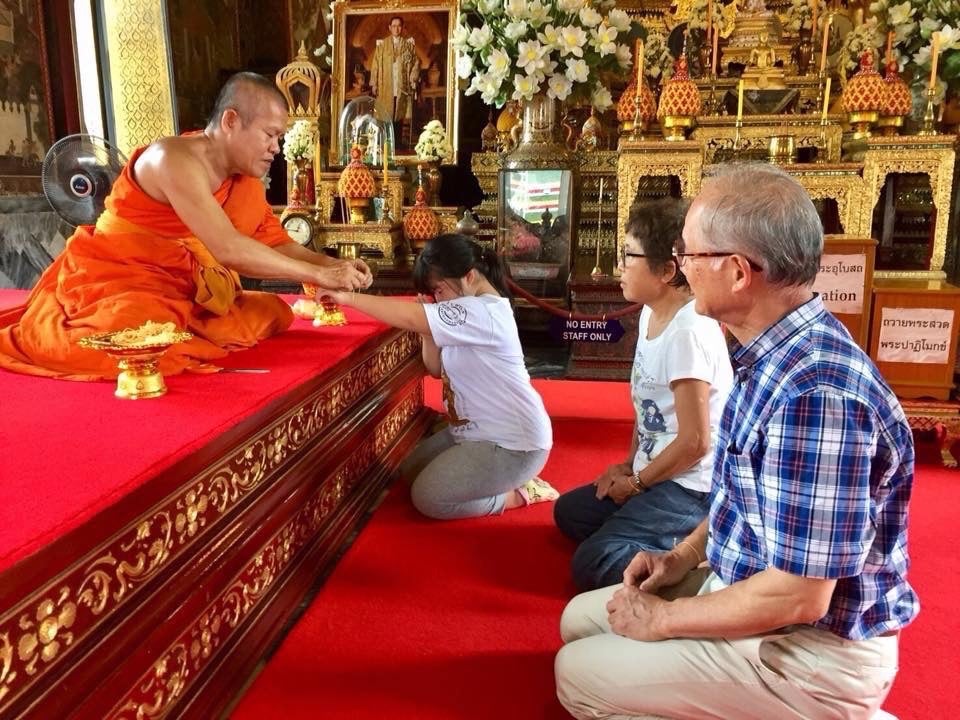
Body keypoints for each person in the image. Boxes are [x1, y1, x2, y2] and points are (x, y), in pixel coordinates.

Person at [555, 164, 918, 720]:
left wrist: (665, 621)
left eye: (691, 255)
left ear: (739, 272)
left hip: (808, 650)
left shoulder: (816, 393)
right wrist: (681, 557)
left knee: (577, 677)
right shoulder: (770, 348)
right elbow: (738, 497)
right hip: (753, 593)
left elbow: (800, 595)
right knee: (578, 622)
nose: (682, 268)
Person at [0, 72, 372, 381]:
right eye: (270, 134)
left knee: (275, 311)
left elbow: (272, 243)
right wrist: (318, 276)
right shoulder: (172, 159)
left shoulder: (244, 180)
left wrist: (330, 266)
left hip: (185, 288)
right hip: (120, 280)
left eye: (280, 138)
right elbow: (227, 249)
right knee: (141, 339)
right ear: (230, 121)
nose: (277, 147)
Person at [553, 198, 732, 592]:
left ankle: (696, 557)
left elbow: (696, 442)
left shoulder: (689, 331)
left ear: (667, 270)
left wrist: (636, 485)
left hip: (691, 487)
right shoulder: (651, 312)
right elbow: (647, 406)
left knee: (592, 560)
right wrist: (628, 465)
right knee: (569, 513)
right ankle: (658, 538)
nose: (619, 267)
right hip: (658, 472)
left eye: (628, 255)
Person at [322, 233, 556, 520]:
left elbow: (409, 316)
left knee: (429, 498)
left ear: (469, 277)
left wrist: (349, 297)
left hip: (513, 445)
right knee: (412, 472)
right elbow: (435, 369)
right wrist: (426, 329)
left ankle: (516, 494)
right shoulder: (466, 311)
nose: (437, 299)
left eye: (440, 290)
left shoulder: (483, 311)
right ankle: (498, 480)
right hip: (473, 434)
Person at [369, 16, 419, 144]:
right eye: (394, 26)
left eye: (399, 26)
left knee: (399, 115)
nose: (396, 28)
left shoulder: (408, 45)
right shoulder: (382, 45)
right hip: (386, 85)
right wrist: (374, 83)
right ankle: (386, 145)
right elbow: (375, 65)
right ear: (389, 27)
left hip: (401, 85)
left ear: (402, 28)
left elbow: (415, 62)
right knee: (386, 114)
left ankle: (397, 145)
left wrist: (413, 77)